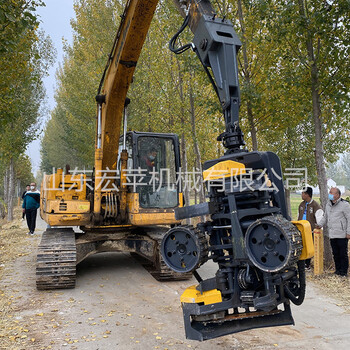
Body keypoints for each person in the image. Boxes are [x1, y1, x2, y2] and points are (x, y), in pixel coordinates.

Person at [317, 187, 350, 277]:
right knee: (335, 253)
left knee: (342, 254)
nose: (330, 194)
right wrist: (320, 224)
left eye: (332, 192)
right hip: (332, 234)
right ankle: (338, 270)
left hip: (342, 234)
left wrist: (348, 232)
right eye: (329, 192)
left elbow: (349, 219)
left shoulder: (345, 205)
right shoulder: (328, 204)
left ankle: (343, 272)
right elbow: (325, 217)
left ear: (337, 195)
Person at [297, 186, 322, 270]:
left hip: (310, 231)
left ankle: (307, 265)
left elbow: (319, 219)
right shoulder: (301, 204)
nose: (302, 194)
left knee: (309, 248)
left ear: (307, 194)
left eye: (303, 193)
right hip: (301, 230)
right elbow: (298, 216)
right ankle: (301, 264)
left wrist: (317, 229)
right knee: (301, 247)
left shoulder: (315, 205)